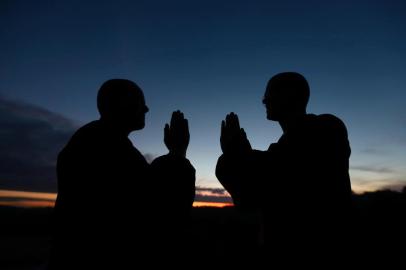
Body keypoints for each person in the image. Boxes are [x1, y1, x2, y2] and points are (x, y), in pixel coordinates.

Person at [48, 79, 195, 269]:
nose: (146, 109)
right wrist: (177, 154)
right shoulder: (103, 148)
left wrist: (175, 155)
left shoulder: (98, 141)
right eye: (140, 102)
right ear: (121, 104)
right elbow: (154, 210)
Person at [216, 72, 352, 263]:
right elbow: (254, 194)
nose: (264, 100)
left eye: (269, 93)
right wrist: (239, 155)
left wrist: (238, 155)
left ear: (290, 95)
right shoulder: (289, 145)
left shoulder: (326, 128)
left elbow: (274, 174)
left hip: (312, 251)